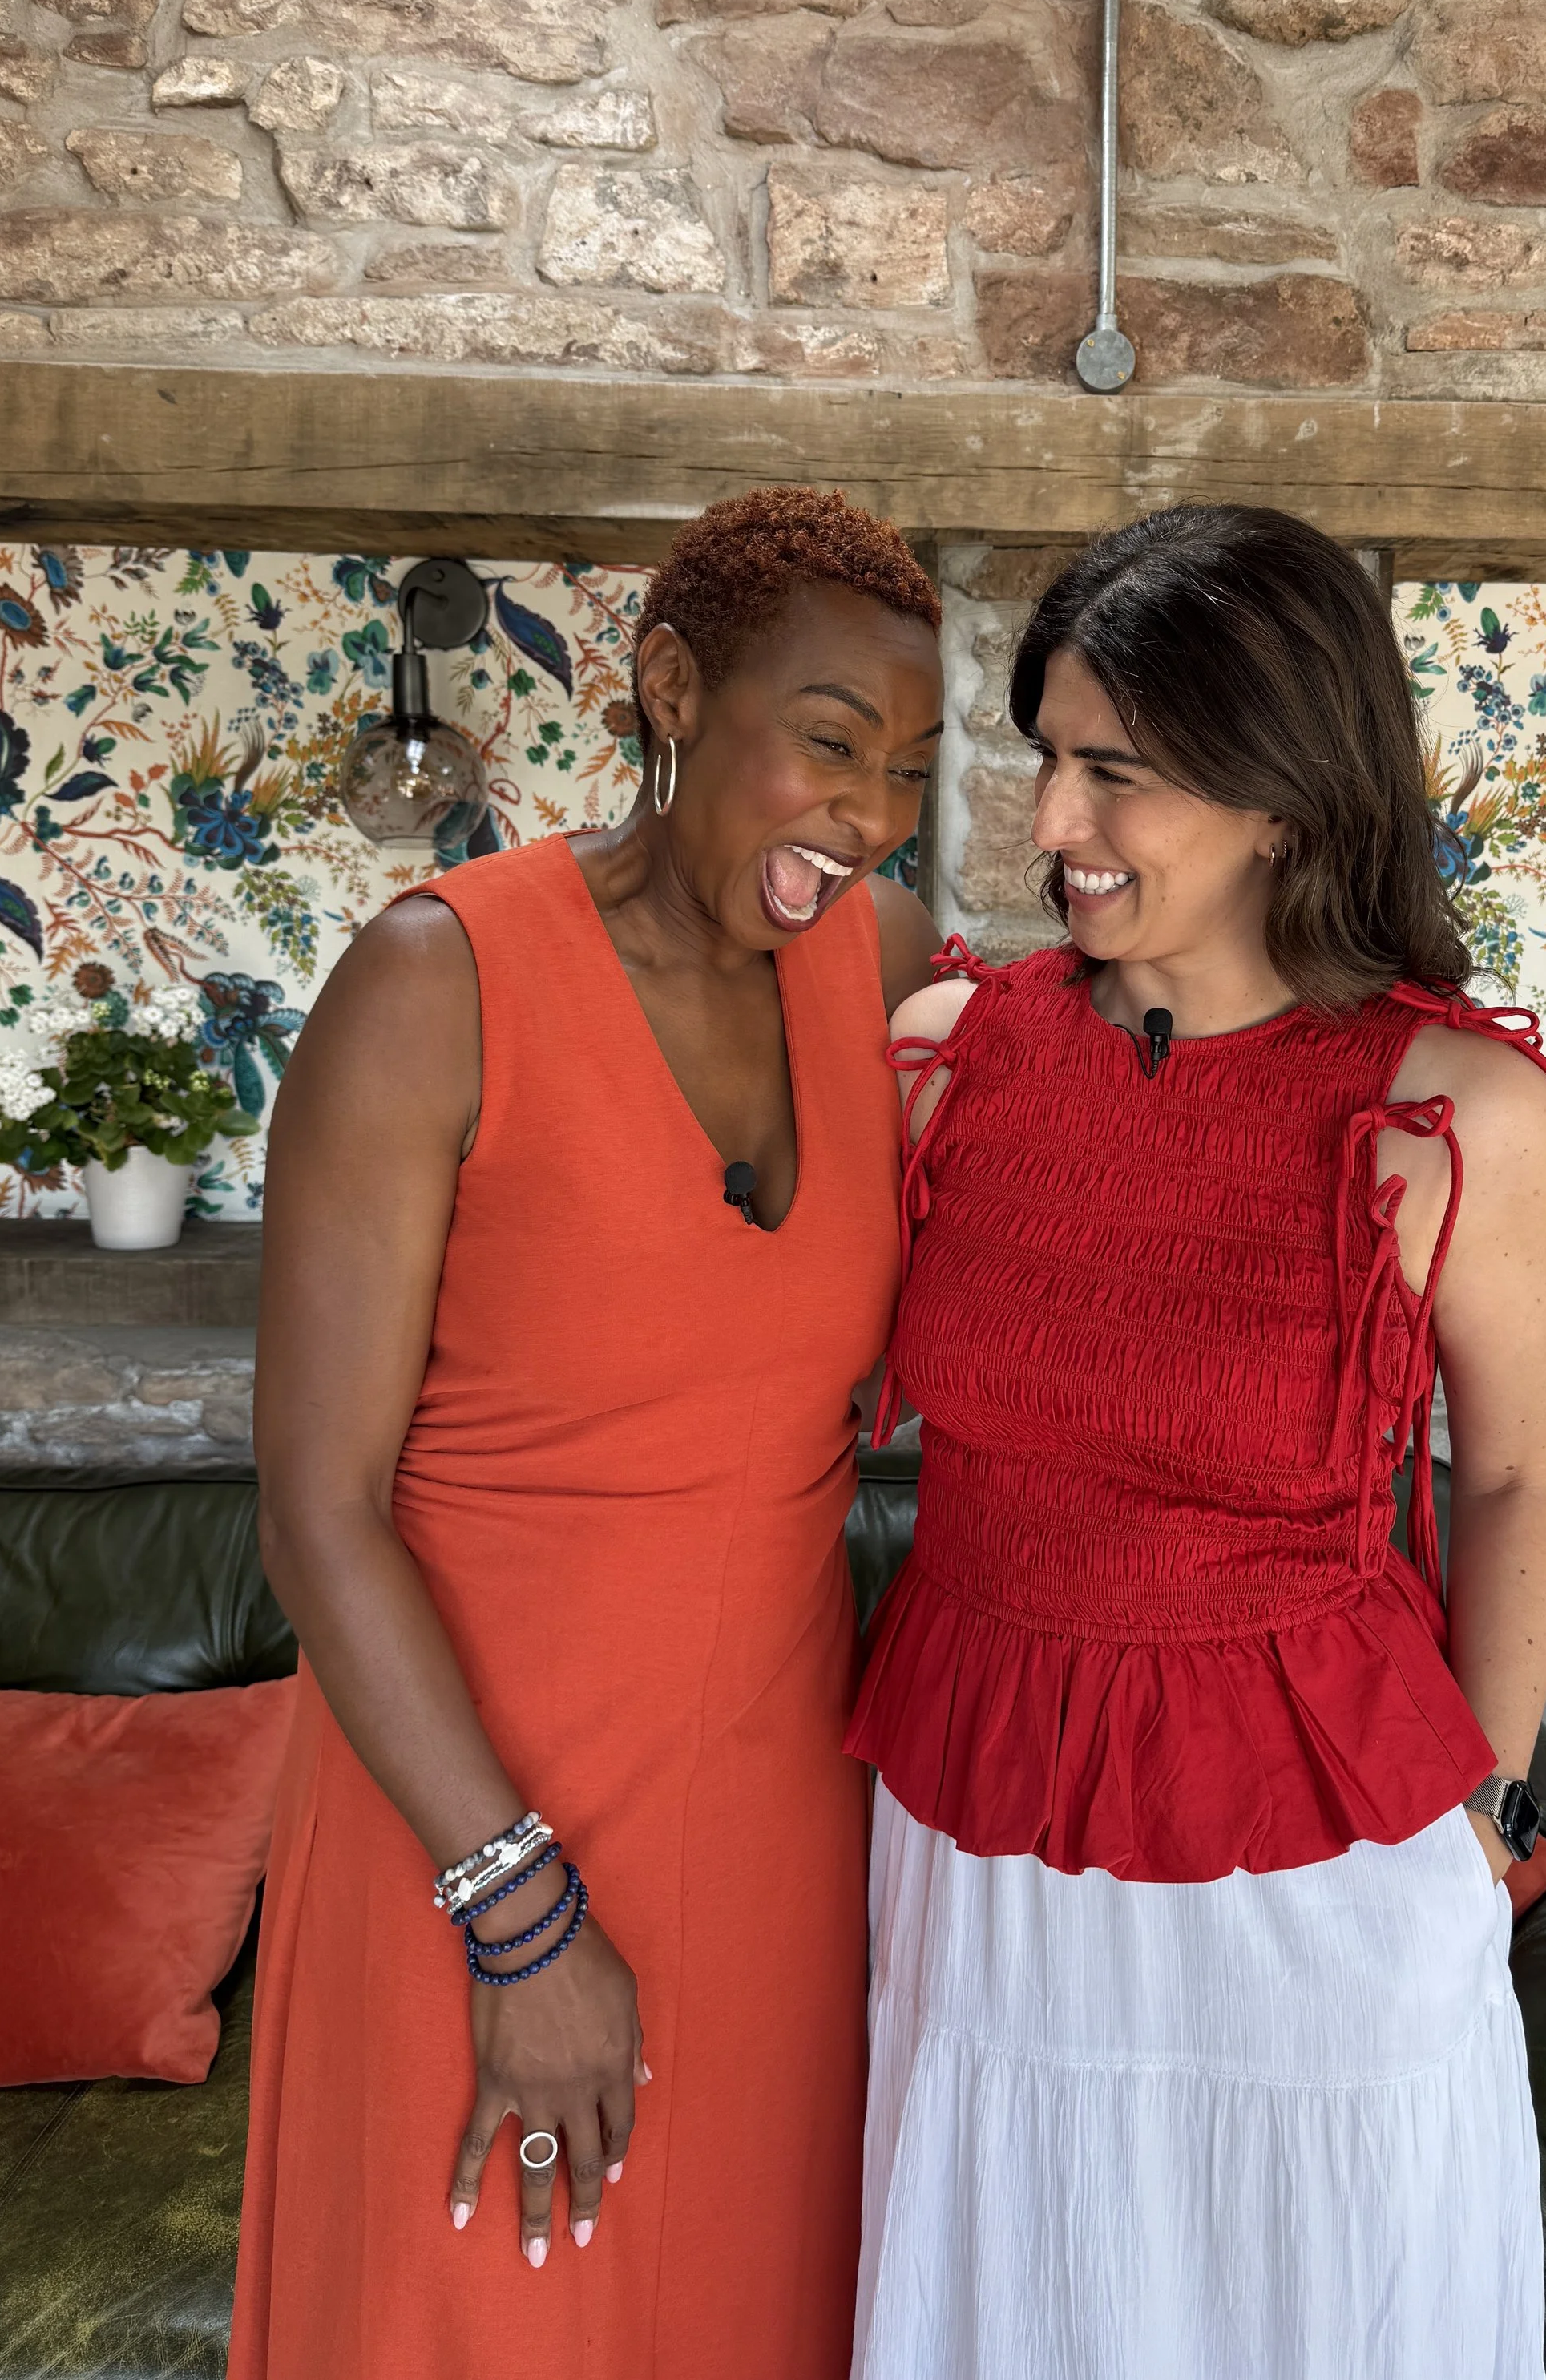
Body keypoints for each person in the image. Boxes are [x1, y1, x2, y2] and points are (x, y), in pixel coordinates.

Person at [847, 505, 1546, 2380]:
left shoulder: (1453, 1114)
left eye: (1115, 773)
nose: (1051, 828)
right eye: (1044, 762)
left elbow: (1512, 1478)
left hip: (1316, 1874)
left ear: (1279, 794)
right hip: (982, 1847)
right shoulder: (942, 1053)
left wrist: (1477, 1827)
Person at [233, 488, 944, 2380]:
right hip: (460, 1823)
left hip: (776, 1833)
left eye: (908, 771)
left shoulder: (879, 966)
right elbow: (314, 1512)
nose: (866, 816)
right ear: (668, 691)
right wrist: (518, 1914)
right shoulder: (431, 981)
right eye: (825, 746)